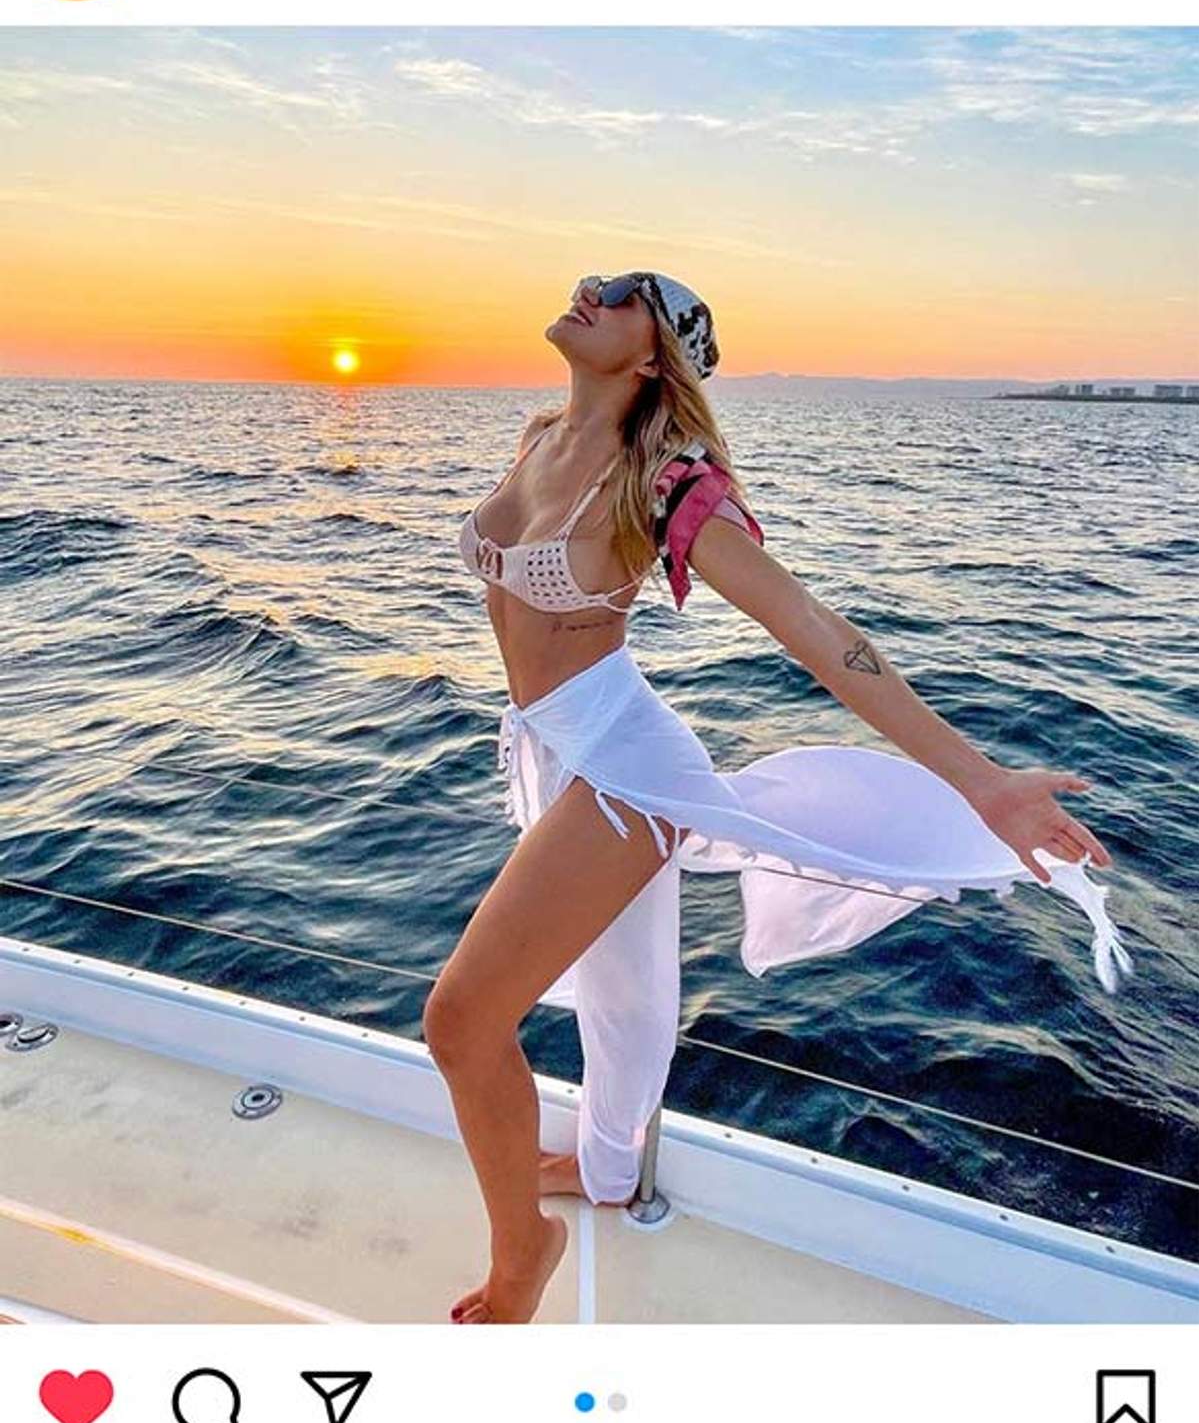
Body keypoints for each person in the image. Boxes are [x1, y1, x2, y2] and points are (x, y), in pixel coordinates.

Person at [428, 270, 1131, 1325]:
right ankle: (608, 1171)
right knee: (621, 995)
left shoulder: (664, 480)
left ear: (656, 352)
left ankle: (523, 1252)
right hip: (548, 744)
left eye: (621, 295)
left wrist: (982, 782)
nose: (589, 291)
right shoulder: (539, 437)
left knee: (461, 1021)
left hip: (621, 763)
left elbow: (814, 629)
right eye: (593, 279)